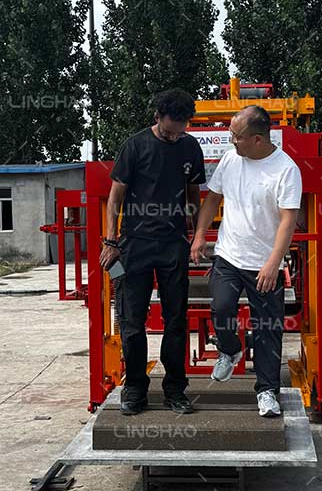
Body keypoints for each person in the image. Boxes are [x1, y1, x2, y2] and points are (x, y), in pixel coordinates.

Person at [191, 105, 302, 418]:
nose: (231, 142)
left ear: (257, 139)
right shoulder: (230, 159)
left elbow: (287, 221)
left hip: (264, 263)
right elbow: (212, 199)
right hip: (228, 255)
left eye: (236, 137)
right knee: (221, 307)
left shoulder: (285, 169)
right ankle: (229, 348)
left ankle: (267, 391)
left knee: (268, 330)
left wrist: (273, 263)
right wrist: (200, 235)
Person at [102, 89, 206, 415]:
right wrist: (110, 242)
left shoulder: (190, 147)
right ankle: (135, 389)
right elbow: (114, 199)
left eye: (180, 130)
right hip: (134, 246)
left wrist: (193, 235)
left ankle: (175, 389)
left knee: (176, 321)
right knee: (132, 322)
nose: (174, 136)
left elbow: (193, 193)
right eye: (169, 130)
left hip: (173, 245)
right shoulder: (135, 146)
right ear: (157, 117)